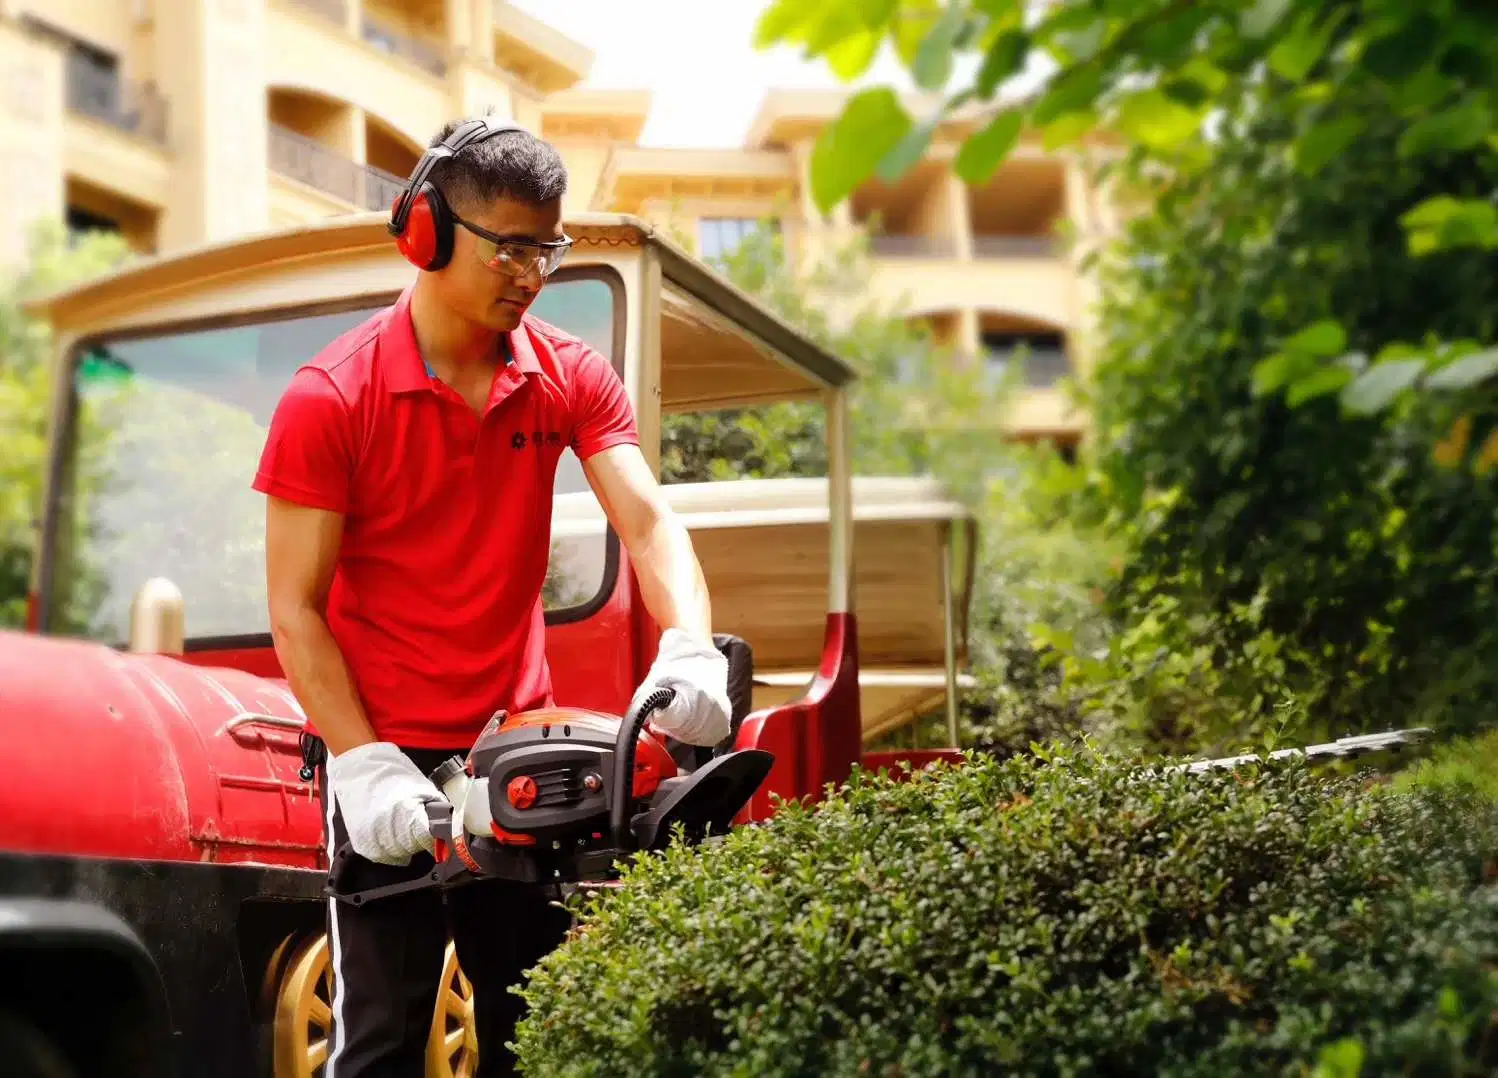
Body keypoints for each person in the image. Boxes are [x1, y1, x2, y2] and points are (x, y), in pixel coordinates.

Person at [251, 115, 733, 1077]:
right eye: (508, 247)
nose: (531, 274)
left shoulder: (565, 375)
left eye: (546, 248)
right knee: (381, 1040)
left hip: (513, 754)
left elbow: (647, 521)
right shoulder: (330, 398)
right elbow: (295, 606)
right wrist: (362, 763)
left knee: (531, 1027)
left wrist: (690, 643)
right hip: (381, 753)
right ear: (425, 230)